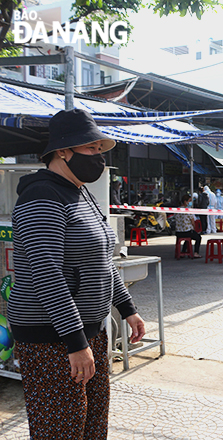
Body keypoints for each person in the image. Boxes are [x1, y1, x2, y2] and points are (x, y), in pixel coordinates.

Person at [8, 109, 146, 439]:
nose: (98, 158)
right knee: (61, 428)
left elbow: (101, 260)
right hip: (51, 337)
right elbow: (47, 274)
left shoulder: (80, 192)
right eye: (91, 149)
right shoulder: (42, 195)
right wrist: (75, 342)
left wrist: (127, 309)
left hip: (88, 332)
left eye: (100, 150)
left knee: (92, 423)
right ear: (62, 151)